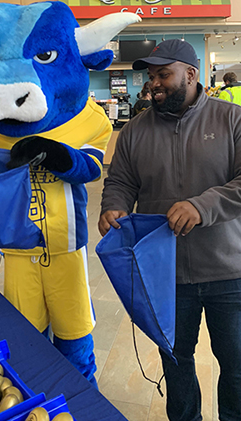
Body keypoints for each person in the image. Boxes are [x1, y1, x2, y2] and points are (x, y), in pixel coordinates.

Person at [99, 38, 241, 421]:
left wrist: (202, 205)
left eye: (164, 74)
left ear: (191, 74)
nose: (154, 83)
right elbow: (120, 181)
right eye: (151, 76)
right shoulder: (134, 132)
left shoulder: (232, 120)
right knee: (176, 362)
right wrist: (112, 206)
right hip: (165, 274)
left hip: (230, 270)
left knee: (237, 365)